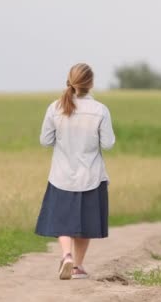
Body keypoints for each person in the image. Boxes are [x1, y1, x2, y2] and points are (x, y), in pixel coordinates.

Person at [35, 63, 115, 280]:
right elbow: (107, 144)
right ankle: (78, 266)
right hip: (91, 175)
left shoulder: (55, 108)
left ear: (69, 80)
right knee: (85, 223)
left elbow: (45, 140)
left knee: (63, 218)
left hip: (61, 174)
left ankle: (66, 255)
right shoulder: (100, 110)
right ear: (91, 83)